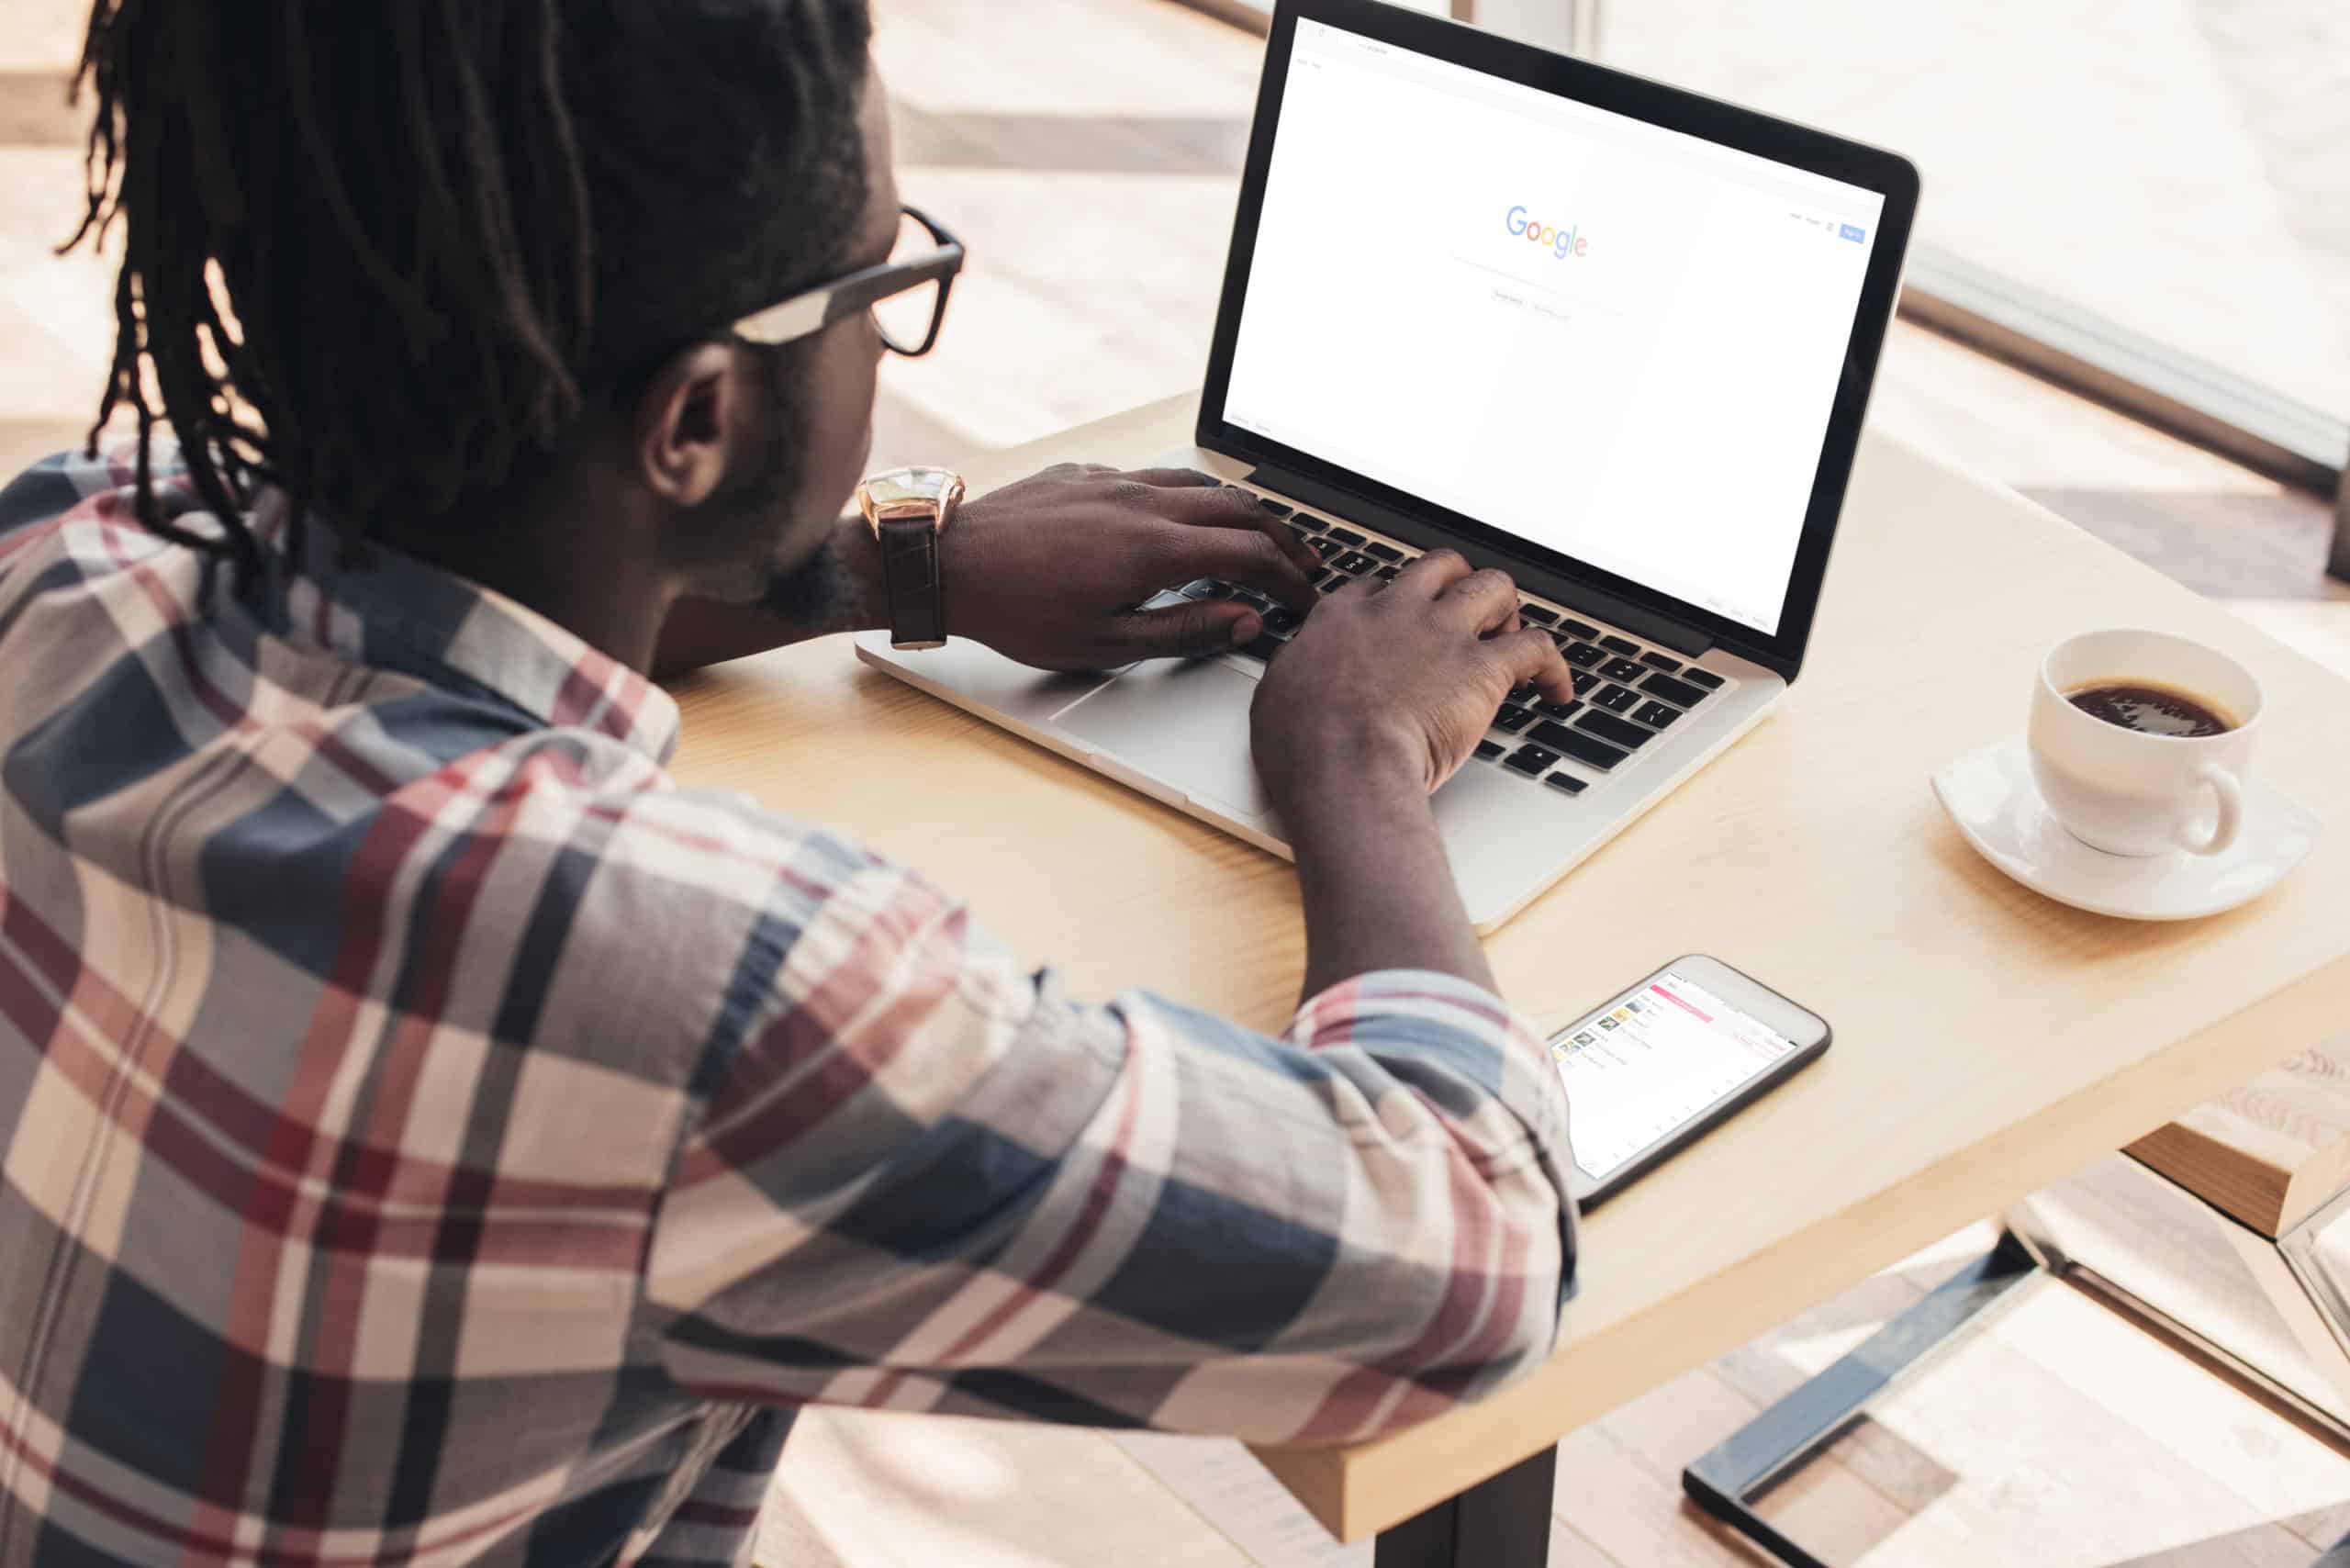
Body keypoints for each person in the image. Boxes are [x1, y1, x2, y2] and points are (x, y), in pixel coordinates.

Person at [0, 4, 1581, 1563]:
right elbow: (1468, 1262)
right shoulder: (690, 988)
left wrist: (903, 563)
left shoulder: (68, 555)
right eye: (883, 281)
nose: (888, 325)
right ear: (697, 418)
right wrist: (1358, 758)